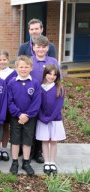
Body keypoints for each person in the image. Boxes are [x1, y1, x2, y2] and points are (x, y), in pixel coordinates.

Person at [8, 56, 41, 176]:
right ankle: (15, 162)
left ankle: (26, 162)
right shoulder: (12, 83)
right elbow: (9, 101)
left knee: (27, 141)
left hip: (29, 118)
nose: (23, 69)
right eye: (21, 67)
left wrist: (27, 115)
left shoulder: (35, 83)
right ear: (16, 68)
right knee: (15, 141)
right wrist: (18, 114)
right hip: (15, 117)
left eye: (26, 67)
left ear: (31, 68)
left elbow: (36, 102)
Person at [30, 35, 61, 163]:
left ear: (47, 48)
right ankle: (29, 151)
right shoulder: (30, 61)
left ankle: (39, 153)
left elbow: (59, 80)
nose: (41, 50)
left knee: (43, 127)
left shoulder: (53, 61)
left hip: (48, 102)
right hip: (32, 100)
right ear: (33, 47)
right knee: (32, 127)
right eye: (38, 47)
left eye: (44, 47)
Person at [36, 64, 66, 175]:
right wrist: (42, 117)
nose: (51, 76)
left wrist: (50, 118)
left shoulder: (59, 88)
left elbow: (59, 105)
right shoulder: (40, 87)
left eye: (54, 75)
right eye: (49, 74)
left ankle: (52, 162)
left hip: (55, 119)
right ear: (45, 74)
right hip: (42, 119)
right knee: (45, 141)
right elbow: (37, 104)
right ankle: (46, 162)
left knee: (53, 141)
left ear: (57, 76)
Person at [0, 50, 17, 161]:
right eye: (0, 60)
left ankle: (3, 149)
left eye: (4, 59)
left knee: (5, 127)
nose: (2, 62)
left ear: (8, 60)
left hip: (8, 106)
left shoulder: (13, 74)